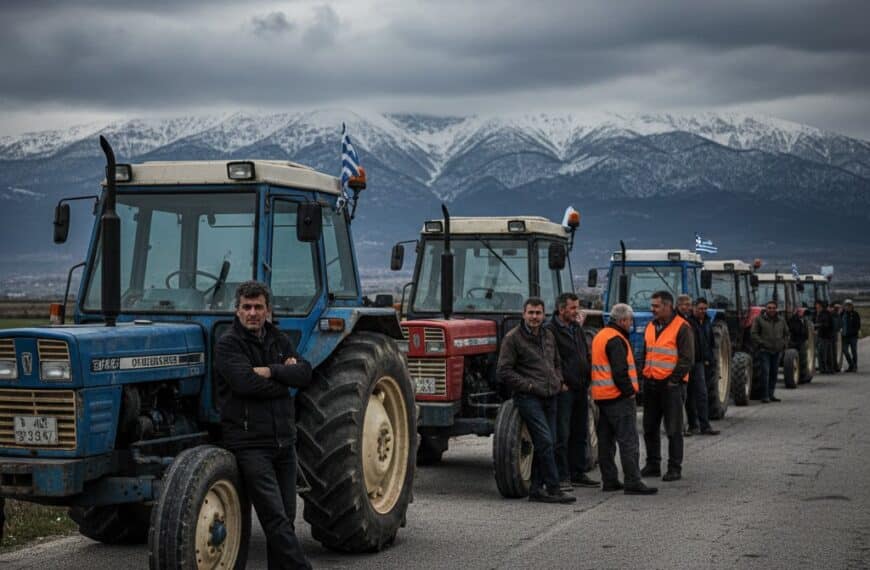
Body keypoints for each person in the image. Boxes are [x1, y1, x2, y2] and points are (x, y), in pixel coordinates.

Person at [215, 281, 313, 570]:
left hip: (284, 443)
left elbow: (305, 373)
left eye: (258, 307)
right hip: (250, 444)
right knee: (275, 518)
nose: (253, 313)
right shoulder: (228, 344)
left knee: (285, 519)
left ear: (268, 310)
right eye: (247, 307)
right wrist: (285, 380)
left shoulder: (278, 339)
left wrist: (271, 371)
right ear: (237, 311)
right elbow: (244, 383)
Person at [497, 298, 576, 504]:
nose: (534, 317)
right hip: (529, 397)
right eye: (531, 313)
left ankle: (536, 489)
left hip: (551, 396)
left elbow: (556, 362)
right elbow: (504, 371)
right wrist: (529, 386)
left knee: (549, 442)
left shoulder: (548, 335)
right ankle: (553, 488)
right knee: (545, 441)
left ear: (544, 315)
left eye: (538, 313)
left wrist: (558, 380)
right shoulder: (512, 338)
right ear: (523, 314)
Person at [591, 303, 657, 495]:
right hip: (618, 397)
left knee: (606, 442)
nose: (631, 324)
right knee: (628, 441)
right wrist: (630, 392)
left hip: (602, 397)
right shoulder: (616, 339)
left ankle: (609, 480)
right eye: (629, 320)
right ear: (622, 320)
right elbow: (620, 371)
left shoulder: (601, 335)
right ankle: (633, 481)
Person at [639, 290, 694, 482]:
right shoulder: (650, 326)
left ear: (668, 306)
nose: (652, 309)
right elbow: (646, 353)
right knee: (649, 427)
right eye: (652, 305)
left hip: (671, 386)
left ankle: (674, 467)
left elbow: (687, 358)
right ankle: (653, 464)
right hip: (652, 384)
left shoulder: (682, 327)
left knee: (673, 429)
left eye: (656, 306)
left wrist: (673, 381)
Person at [546, 292, 599, 490]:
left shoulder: (576, 328)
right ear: (561, 310)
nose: (576, 312)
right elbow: (550, 360)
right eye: (573, 308)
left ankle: (578, 472)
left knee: (580, 431)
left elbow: (583, 353)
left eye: (577, 307)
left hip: (580, 386)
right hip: (564, 389)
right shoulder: (550, 331)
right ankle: (562, 475)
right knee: (563, 433)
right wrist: (560, 382)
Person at [684, 297, 720, 435]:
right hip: (690, 362)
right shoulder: (688, 323)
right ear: (693, 308)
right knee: (691, 395)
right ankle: (694, 424)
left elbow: (709, 342)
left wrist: (710, 359)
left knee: (702, 394)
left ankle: (704, 425)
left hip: (701, 362)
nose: (702, 311)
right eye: (700, 308)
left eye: (705, 309)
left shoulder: (707, 322)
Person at [751, 300, 789, 403]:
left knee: (774, 373)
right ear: (765, 309)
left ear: (776, 309)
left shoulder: (781, 320)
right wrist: (762, 343)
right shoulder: (759, 319)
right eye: (769, 308)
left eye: (773, 308)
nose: (771, 310)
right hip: (764, 351)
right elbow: (754, 333)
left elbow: (787, 333)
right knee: (765, 373)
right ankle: (764, 395)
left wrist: (784, 344)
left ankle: (771, 394)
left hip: (777, 351)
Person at [815, 300, 834, 374]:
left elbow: (826, 325)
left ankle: (824, 369)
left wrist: (817, 326)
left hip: (825, 336)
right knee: (826, 353)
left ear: (821, 306)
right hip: (825, 336)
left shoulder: (824, 314)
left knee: (823, 353)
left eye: (817, 305)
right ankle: (828, 369)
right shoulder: (821, 313)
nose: (816, 306)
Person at [842, 299, 861, 372]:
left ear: (852, 306)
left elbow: (858, 325)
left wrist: (854, 331)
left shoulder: (855, 314)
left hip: (853, 336)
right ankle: (851, 364)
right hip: (844, 336)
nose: (847, 307)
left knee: (854, 351)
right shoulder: (842, 314)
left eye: (849, 305)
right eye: (846, 305)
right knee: (845, 351)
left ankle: (854, 366)